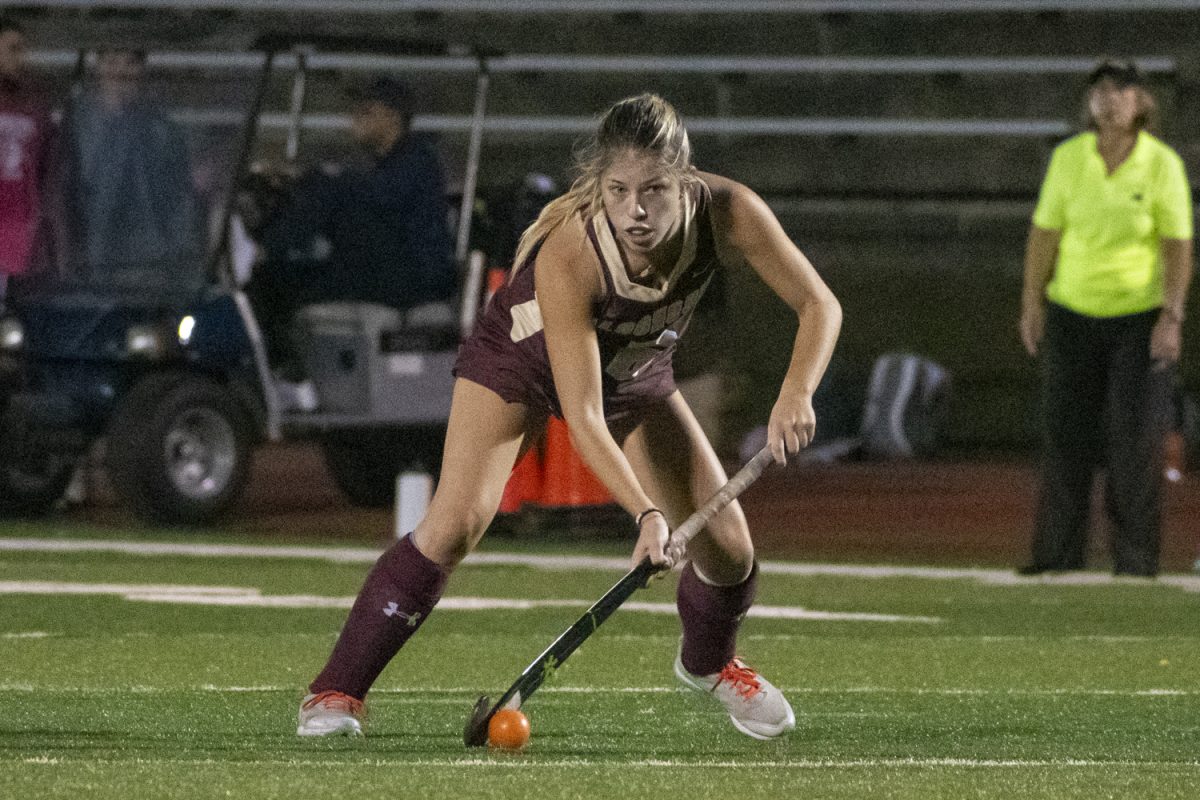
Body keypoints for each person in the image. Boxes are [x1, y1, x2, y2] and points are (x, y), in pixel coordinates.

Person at [295, 93, 842, 740]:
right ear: (599, 185)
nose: (636, 211)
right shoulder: (572, 252)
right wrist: (645, 515)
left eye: (655, 191)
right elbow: (580, 414)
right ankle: (335, 692)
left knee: (729, 552)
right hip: (519, 365)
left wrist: (796, 393)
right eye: (619, 190)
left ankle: (709, 664)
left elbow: (818, 305)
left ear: (685, 181)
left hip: (634, 376)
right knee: (454, 524)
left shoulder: (729, 212)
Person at [1018, 59, 1193, 577]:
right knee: (1064, 435)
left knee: (1134, 440)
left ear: (1141, 102)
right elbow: (1044, 235)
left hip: (1137, 318)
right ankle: (1056, 556)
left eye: (1121, 91)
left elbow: (1178, 247)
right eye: (1100, 90)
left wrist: (1172, 315)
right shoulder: (1069, 159)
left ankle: (1135, 560)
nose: (1109, 99)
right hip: (1072, 312)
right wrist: (1033, 302)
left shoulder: (1161, 164)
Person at [251, 75, 457, 368]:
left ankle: (291, 368)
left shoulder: (417, 162)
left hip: (408, 278)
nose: (354, 119)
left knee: (281, 283)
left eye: (366, 112)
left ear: (390, 117)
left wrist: (322, 179)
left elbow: (374, 197)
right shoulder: (387, 167)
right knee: (281, 275)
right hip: (385, 271)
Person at [61, 47, 201, 282]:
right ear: (98, 67)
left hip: (147, 262)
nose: (121, 72)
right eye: (113, 61)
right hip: (86, 259)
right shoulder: (75, 124)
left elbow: (178, 196)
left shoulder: (163, 129)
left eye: (130, 63)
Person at [0, 17, 56, 303]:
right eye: (13, 48)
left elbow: (46, 162)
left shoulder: (33, 102)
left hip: (17, 227)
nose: (21, 57)